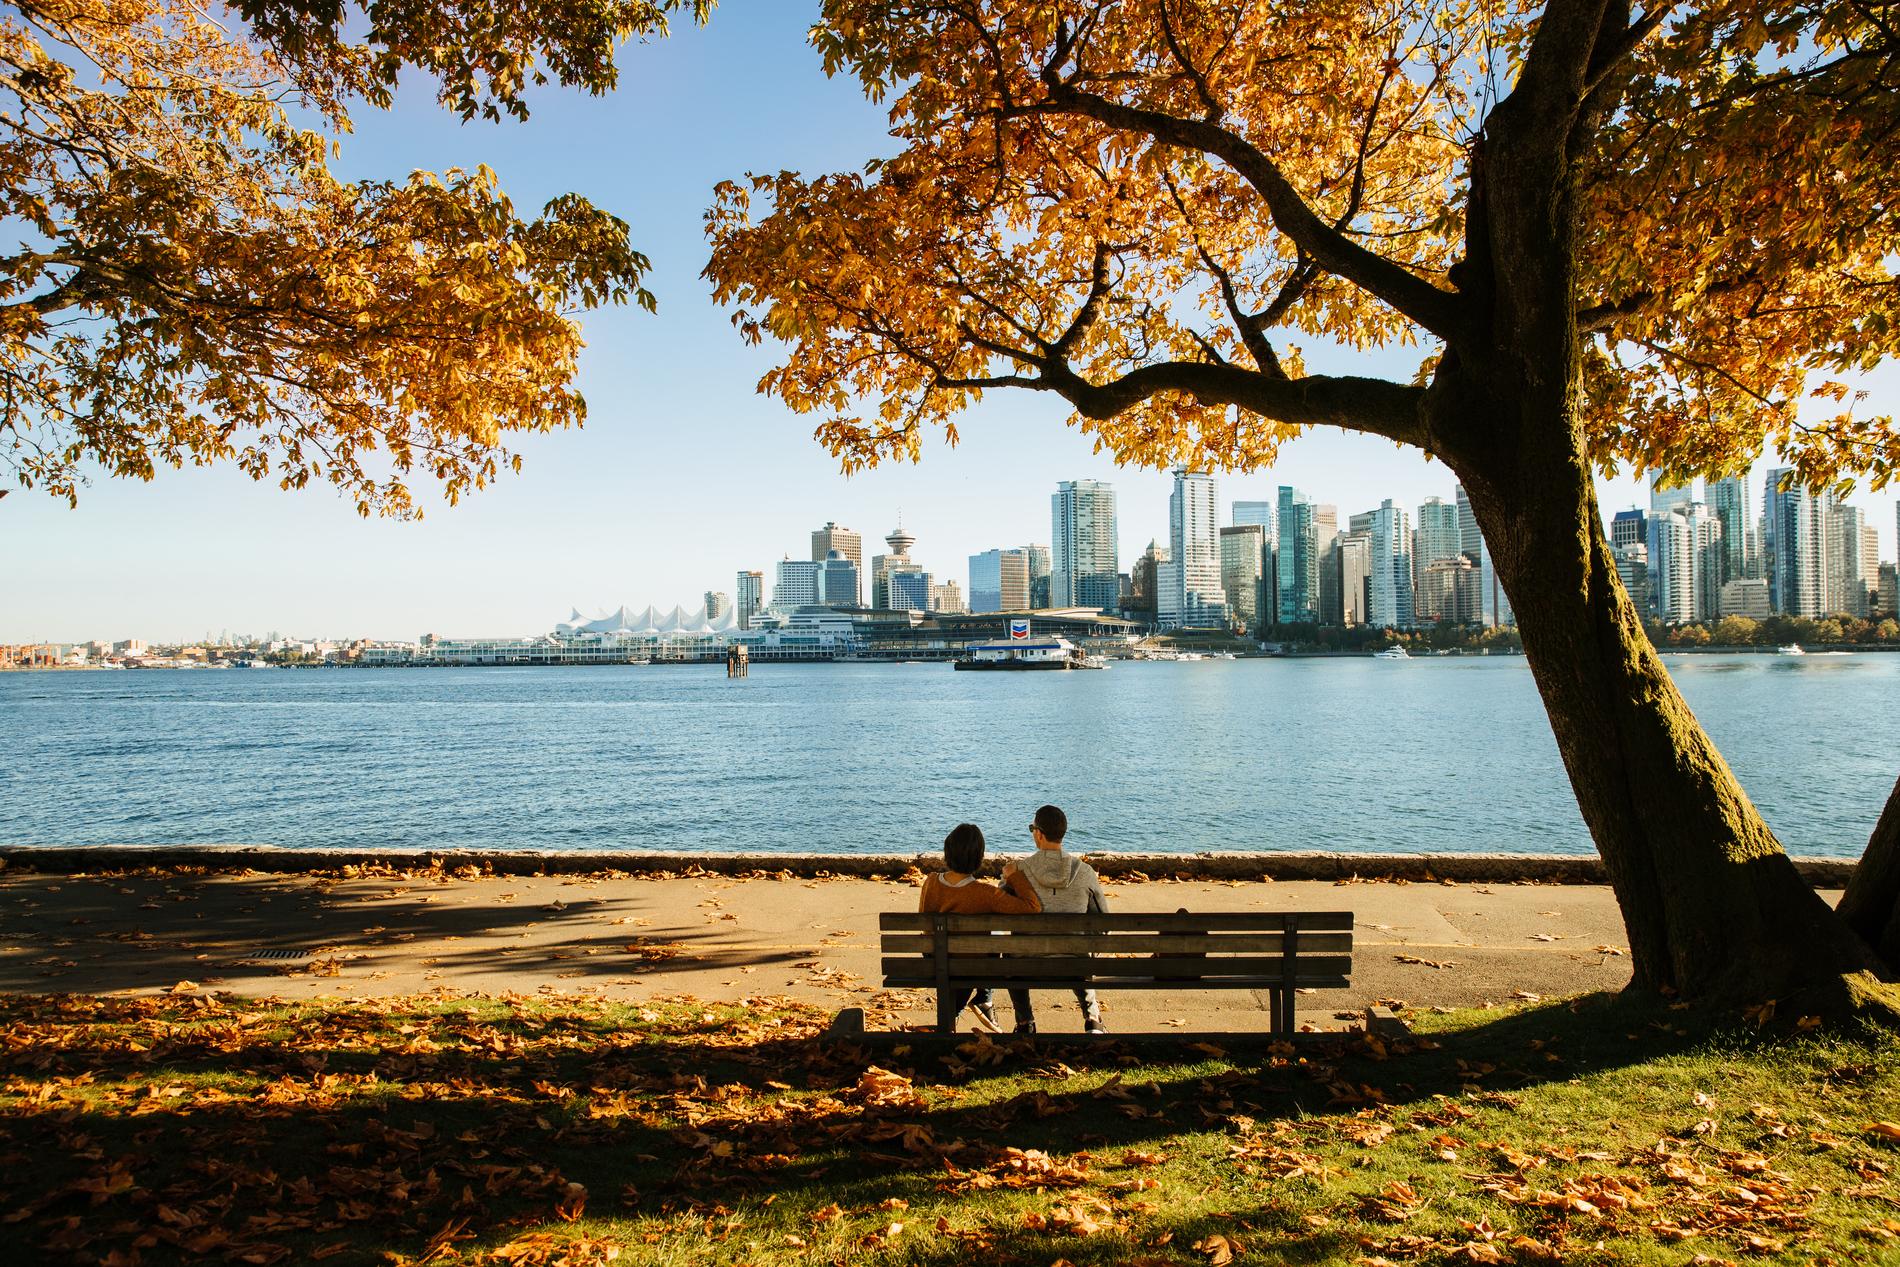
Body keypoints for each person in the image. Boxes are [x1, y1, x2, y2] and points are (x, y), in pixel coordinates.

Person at [918, 822, 1041, 1033]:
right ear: (978, 858)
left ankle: (955, 1018)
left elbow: (924, 922)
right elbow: (1032, 907)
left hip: (935, 961)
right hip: (971, 966)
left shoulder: (930, 882)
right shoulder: (986, 893)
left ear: (947, 852)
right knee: (988, 947)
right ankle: (980, 1001)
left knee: (961, 956)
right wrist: (1014, 876)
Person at [1009, 804, 1108, 1034]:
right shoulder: (1085, 872)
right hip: (1074, 962)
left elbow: (1001, 910)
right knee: (1080, 951)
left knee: (1010, 955)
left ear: (1039, 834)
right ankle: (1092, 1018)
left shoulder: (1019, 872)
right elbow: (1103, 920)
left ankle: (1025, 1022)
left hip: (1024, 964)